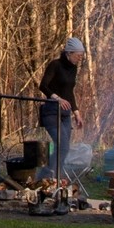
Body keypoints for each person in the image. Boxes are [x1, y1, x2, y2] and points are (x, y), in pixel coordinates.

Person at [37, 37, 85, 172]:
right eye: (78, 55)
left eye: (81, 55)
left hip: (65, 114)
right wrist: (57, 98)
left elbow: (69, 92)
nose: (80, 58)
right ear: (69, 53)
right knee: (62, 145)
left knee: (64, 147)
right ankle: (49, 175)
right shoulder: (55, 65)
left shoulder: (73, 68)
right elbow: (43, 86)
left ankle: (54, 175)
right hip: (51, 111)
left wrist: (76, 113)